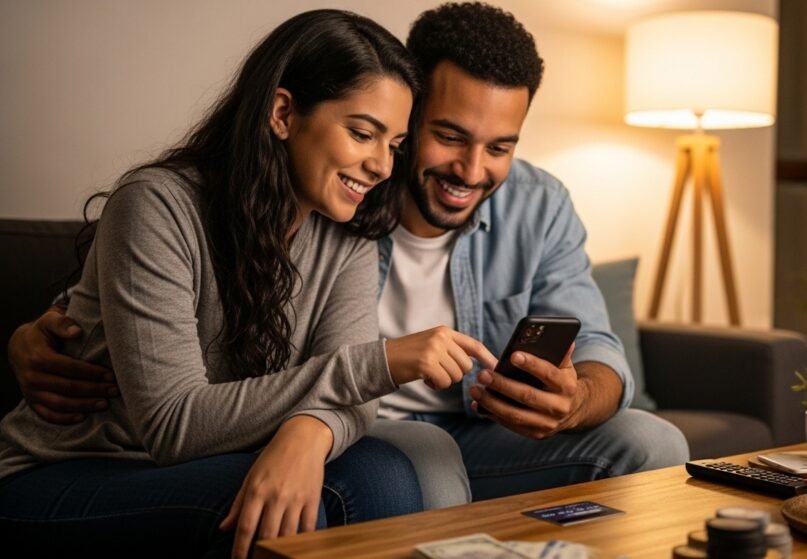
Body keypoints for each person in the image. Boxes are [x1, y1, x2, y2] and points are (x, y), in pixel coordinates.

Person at [8, 2, 689, 511]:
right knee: (393, 472)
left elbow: (597, 348)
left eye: (500, 146)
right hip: (136, 456)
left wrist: (573, 400)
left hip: (399, 432)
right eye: (448, 136)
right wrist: (29, 335)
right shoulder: (298, 204)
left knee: (654, 442)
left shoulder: (355, 218)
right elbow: (167, 378)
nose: (471, 168)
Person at [0, 9, 498, 558]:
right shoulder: (156, 206)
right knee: (292, 510)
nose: (382, 165)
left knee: (384, 473)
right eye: (363, 134)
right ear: (283, 113)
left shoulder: (348, 235)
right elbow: (173, 424)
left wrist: (307, 432)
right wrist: (379, 364)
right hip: (70, 470)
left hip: (220, 456)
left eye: (395, 144)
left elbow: (354, 405)